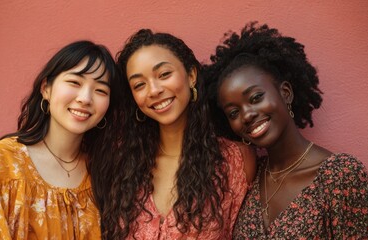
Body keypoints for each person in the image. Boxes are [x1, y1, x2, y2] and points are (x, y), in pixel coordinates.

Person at [204, 22, 368, 239]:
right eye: (233, 113)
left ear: (285, 93)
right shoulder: (250, 178)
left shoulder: (341, 176)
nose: (247, 115)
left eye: (256, 98)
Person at [93, 29, 256, 239]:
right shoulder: (121, 164)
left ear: (191, 75)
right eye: (139, 84)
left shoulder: (236, 160)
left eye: (164, 74)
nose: (153, 90)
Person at [0, 40, 119, 239]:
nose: (85, 98)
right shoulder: (0, 163)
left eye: (100, 90)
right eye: (75, 82)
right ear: (46, 88)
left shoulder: (105, 173)